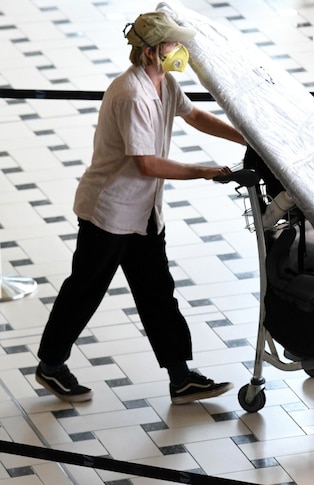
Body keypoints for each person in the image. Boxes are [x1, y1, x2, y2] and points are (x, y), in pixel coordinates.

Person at [34, 12, 245, 405]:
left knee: (157, 292)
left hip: (145, 213)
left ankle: (181, 378)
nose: (179, 51)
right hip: (110, 213)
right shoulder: (131, 94)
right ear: (150, 52)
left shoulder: (164, 82)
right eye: (171, 45)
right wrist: (204, 172)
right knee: (85, 289)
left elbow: (195, 115)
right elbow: (146, 164)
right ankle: (50, 366)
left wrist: (248, 137)